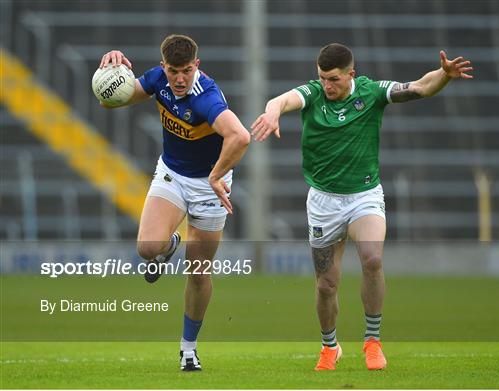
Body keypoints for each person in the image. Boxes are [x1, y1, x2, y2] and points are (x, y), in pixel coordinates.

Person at [251, 43, 473, 371]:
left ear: (351, 75)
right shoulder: (313, 94)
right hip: (323, 201)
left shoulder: (370, 93)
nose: (327, 85)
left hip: (364, 195)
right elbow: (282, 100)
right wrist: (272, 112)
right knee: (326, 284)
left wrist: (444, 75)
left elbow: (418, 88)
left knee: (372, 259)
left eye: (334, 79)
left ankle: (372, 341)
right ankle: (330, 347)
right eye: (323, 78)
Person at [99, 34, 250, 371]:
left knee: (198, 272)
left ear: (196, 65)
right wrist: (114, 74)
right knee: (147, 249)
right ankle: (168, 246)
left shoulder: (206, 98)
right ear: (163, 65)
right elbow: (110, 102)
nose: (179, 79)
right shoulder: (157, 79)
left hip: (211, 184)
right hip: (172, 174)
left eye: (185, 71)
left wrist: (216, 176)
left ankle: (188, 348)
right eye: (172, 71)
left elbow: (240, 136)